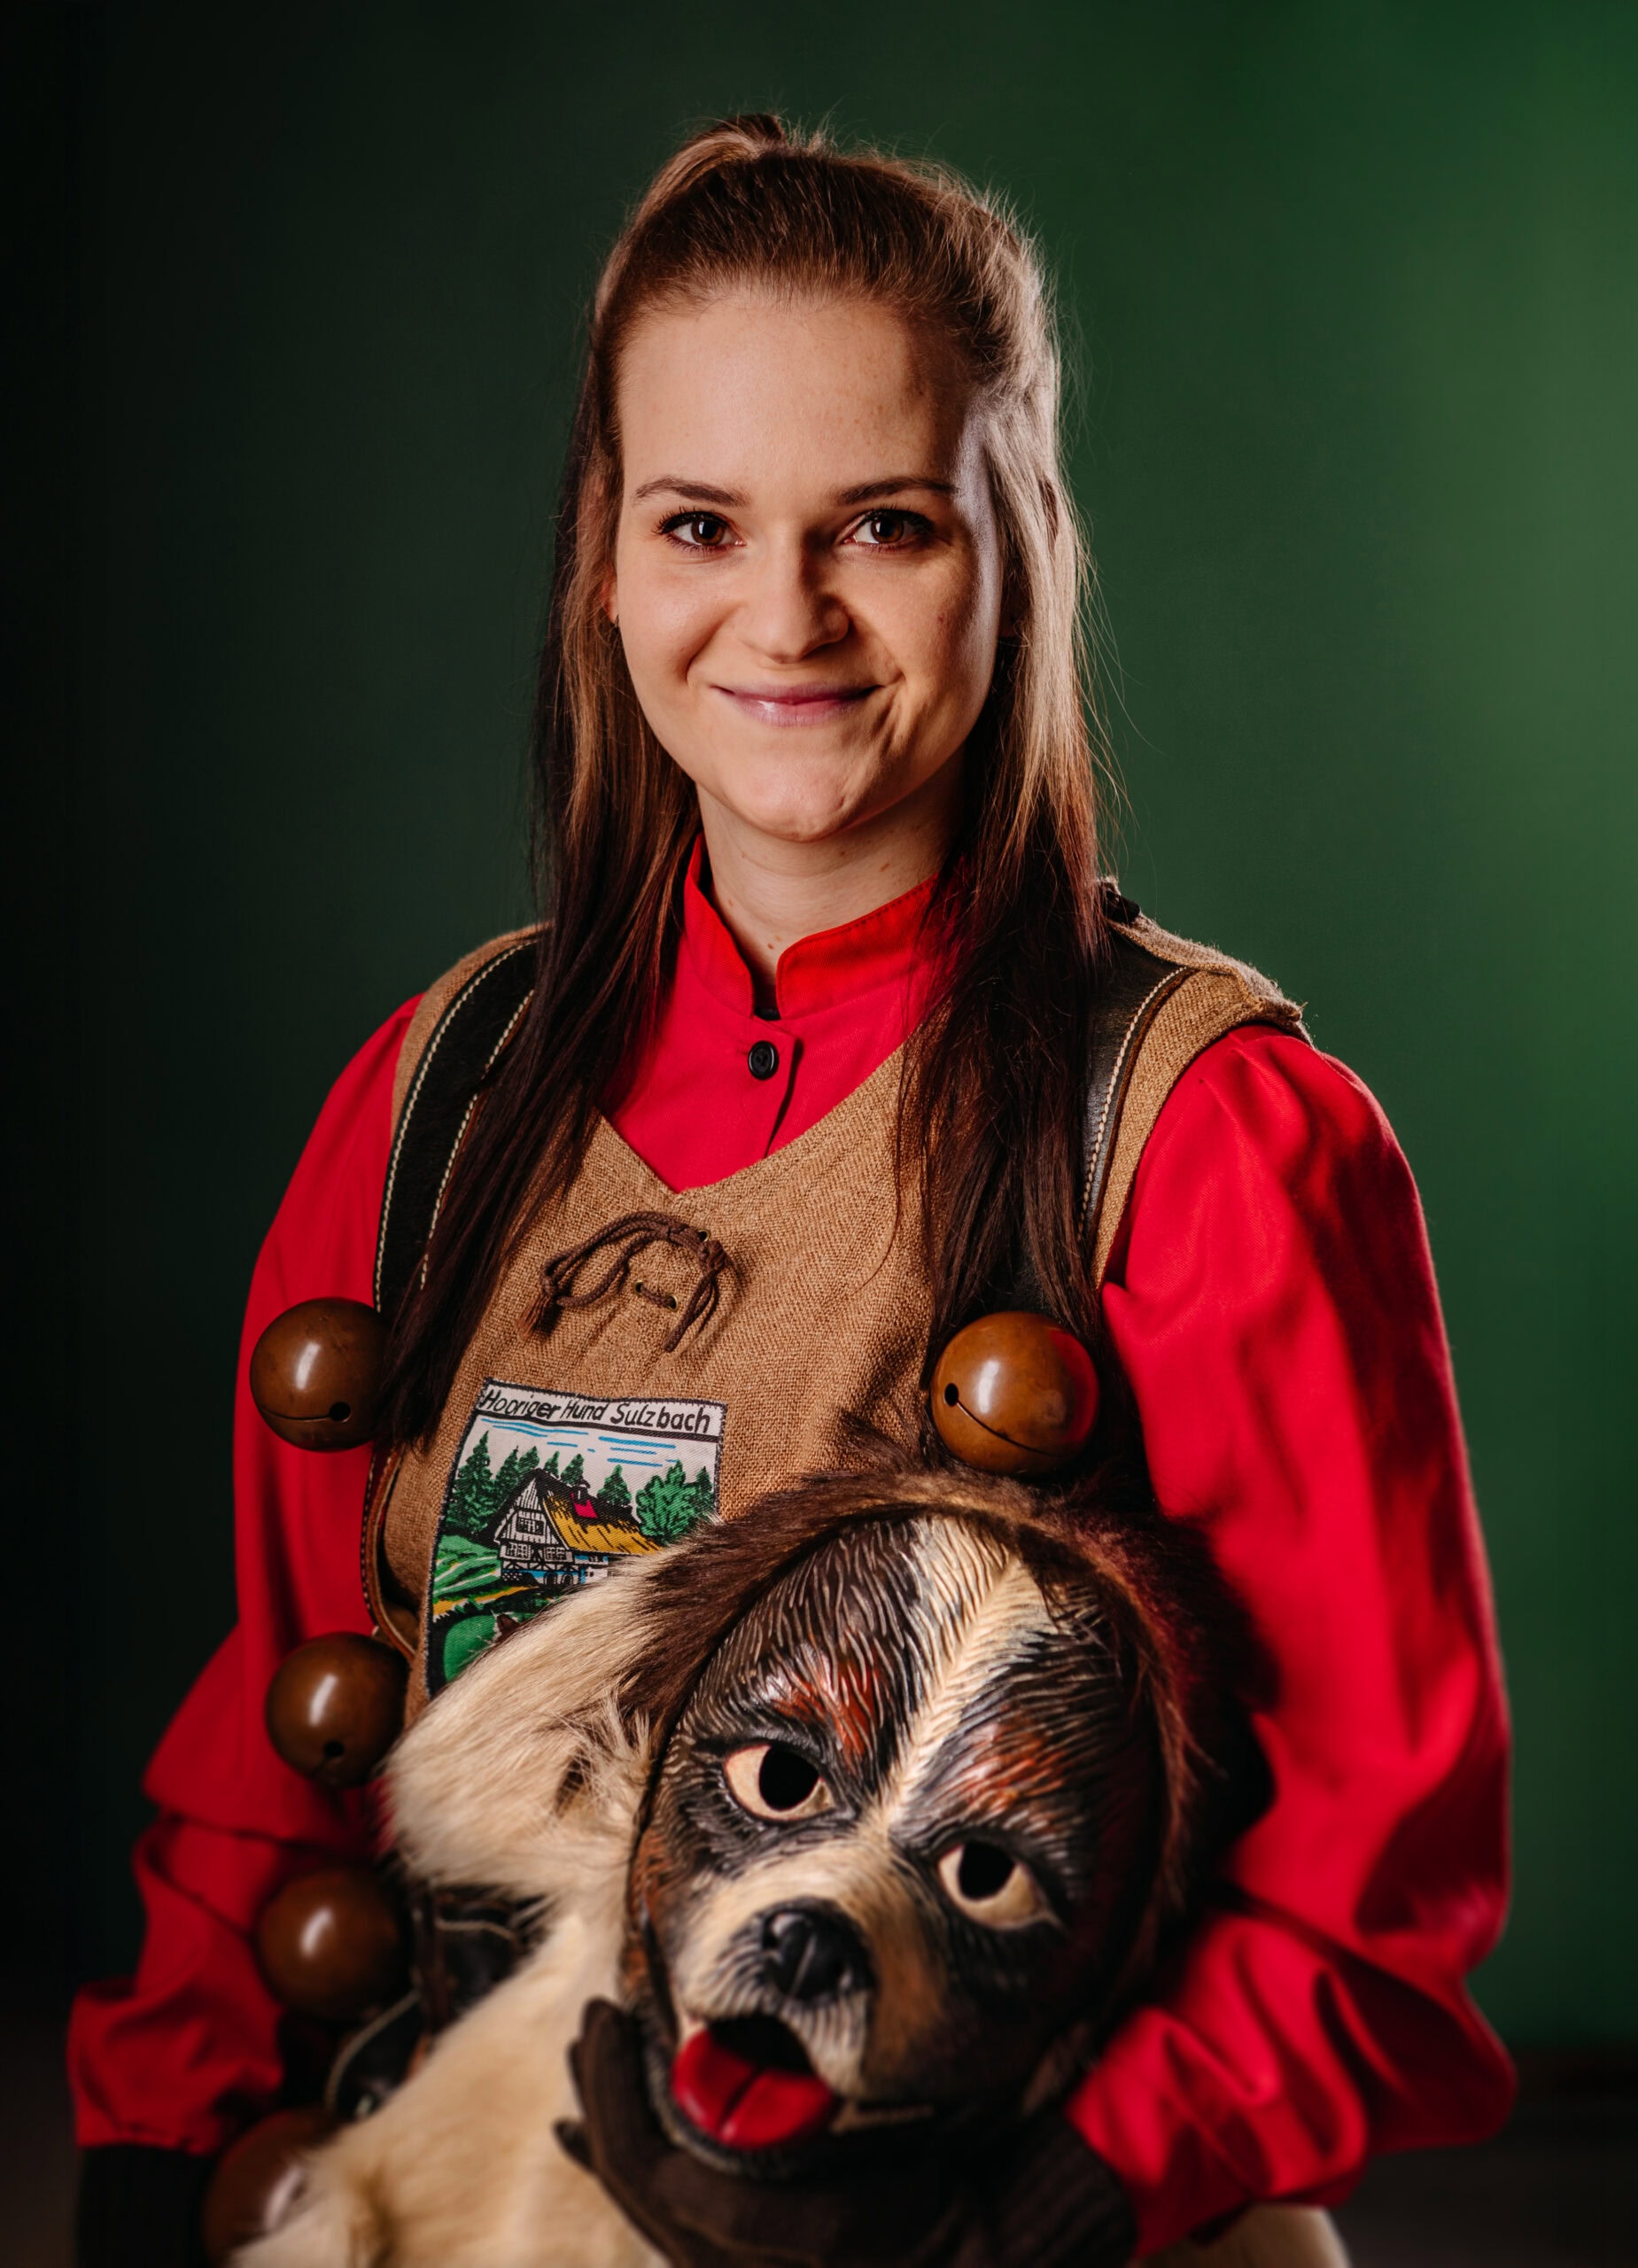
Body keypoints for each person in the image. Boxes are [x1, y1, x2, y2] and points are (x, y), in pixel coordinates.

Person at [70, 115, 1514, 2267]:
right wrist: (158, 2155)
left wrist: (1026, 2202)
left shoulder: (1208, 1135)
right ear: (608, 561)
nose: (783, 614)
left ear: (1020, 541)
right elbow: (275, 1730)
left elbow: (1372, 1888)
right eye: (699, 522)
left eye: (885, 525)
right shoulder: (430, 1096)